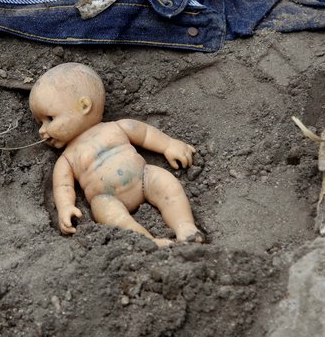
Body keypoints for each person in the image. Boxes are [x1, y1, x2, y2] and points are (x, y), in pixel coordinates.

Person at [29, 62, 203, 247]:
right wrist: (66, 208)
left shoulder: (116, 127)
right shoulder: (66, 159)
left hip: (143, 177)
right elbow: (63, 186)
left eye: (50, 119)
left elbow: (145, 134)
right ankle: (149, 243)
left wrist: (168, 145)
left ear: (84, 106)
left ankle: (185, 227)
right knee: (108, 214)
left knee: (168, 185)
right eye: (40, 122)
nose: (42, 130)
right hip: (106, 198)